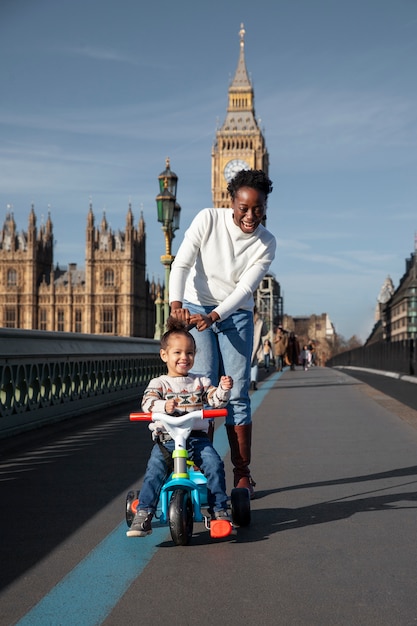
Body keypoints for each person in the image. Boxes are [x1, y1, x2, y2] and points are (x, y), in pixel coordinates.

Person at [169, 169, 276, 498]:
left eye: (257, 208)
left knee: (238, 394)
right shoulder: (207, 219)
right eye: (243, 207)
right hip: (195, 304)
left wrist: (215, 315)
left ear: (264, 206)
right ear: (231, 202)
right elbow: (182, 263)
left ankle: (242, 473)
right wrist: (176, 305)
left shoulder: (266, 242)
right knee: (202, 390)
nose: (250, 215)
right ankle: (202, 466)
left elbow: (245, 287)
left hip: (236, 314)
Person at [127, 317, 233, 537]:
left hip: (196, 438)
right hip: (166, 440)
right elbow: (147, 404)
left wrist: (223, 389)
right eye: (177, 353)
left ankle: (219, 511)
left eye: (189, 353)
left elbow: (216, 401)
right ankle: (144, 513)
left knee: (214, 465)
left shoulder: (201, 381)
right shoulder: (159, 383)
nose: (184, 357)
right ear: (164, 355)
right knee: (154, 471)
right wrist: (163, 405)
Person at [250, 307, 268, 390]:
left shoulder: (244, 318)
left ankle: (247, 382)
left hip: (245, 343)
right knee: (254, 364)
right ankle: (253, 381)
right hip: (256, 345)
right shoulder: (260, 321)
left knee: (245, 364)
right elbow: (265, 332)